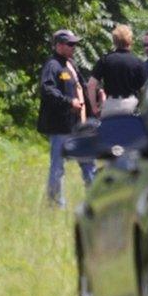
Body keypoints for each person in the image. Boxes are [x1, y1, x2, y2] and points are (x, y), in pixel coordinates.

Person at [37, 29, 96, 208]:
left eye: (75, 44)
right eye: (70, 44)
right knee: (58, 167)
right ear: (59, 45)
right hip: (61, 126)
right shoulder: (52, 65)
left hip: (78, 125)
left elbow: (82, 87)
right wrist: (69, 102)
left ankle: (95, 201)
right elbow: (47, 90)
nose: (74, 47)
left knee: (88, 163)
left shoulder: (70, 64)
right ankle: (55, 204)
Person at [86, 25, 148, 117]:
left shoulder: (105, 60)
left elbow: (91, 85)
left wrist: (94, 108)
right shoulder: (138, 62)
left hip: (111, 106)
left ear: (114, 41)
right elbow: (145, 90)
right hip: (131, 106)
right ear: (130, 40)